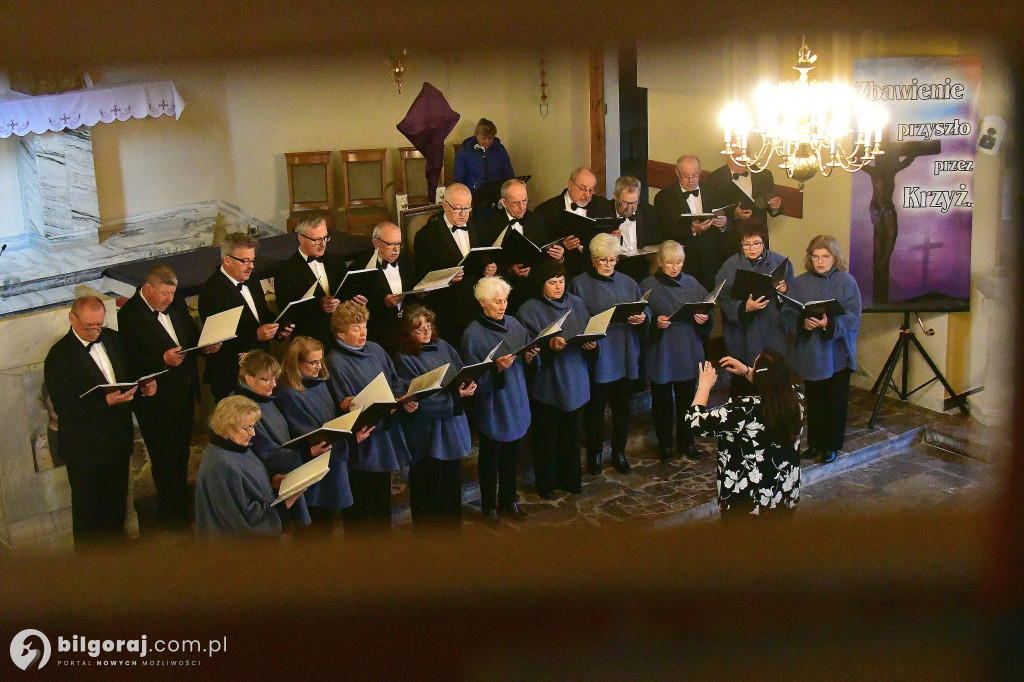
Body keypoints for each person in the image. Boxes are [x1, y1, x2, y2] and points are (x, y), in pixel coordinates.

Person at [43, 295, 156, 543]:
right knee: (89, 516)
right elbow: (65, 408)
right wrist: (104, 402)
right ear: (72, 319)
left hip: (117, 441)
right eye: (88, 326)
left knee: (116, 510)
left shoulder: (114, 339)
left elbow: (128, 376)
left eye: (99, 325)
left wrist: (143, 387)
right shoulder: (58, 356)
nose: (95, 331)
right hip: (85, 450)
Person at [117, 264, 220, 529]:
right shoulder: (128, 316)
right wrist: (160, 360)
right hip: (155, 400)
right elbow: (127, 359)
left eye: (173, 293)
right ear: (148, 289)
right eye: (164, 294)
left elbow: (188, 337)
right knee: (164, 458)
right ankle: (169, 513)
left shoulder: (174, 305)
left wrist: (205, 346)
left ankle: (181, 504)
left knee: (181, 452)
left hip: (184, 391)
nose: (170, 299)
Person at [325, 301, 416, 530]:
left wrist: (401, 400)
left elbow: (395, 381)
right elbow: (341, 402)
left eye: (364, 325)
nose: (363, 332)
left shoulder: (375, 349)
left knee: (382, 501)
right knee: (362, 506)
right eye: (355, 328)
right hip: (361, 440)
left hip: (384, 433)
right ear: (340, 333)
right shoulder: (335, 361)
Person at [686, 349, 804, 519]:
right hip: (783, 492)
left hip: (748, 501)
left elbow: (694, 422)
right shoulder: (795, 396)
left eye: (754, 366)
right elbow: (772, 383)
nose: (751, 368)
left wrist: (704, 386)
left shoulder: (744, 410)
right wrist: (747, 371)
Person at [568, 233, 648, 475]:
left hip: (624, 352)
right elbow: (573, 319)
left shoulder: (628, 282)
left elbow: (644, 310)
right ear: (592, 259)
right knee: (594, 412)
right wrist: (585, 339)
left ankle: (619, 452)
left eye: (613, 260)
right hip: (598, 355)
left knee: (622, 410)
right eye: (603, 260)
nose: (608, 265)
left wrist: (643, 317)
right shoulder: (578, 284)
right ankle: (594, 454)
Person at [516, 260, 596, 499]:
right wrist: (548, 346)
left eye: (561, 281)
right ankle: (546, 484)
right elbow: (527, 347)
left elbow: (588, 331)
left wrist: (590, 345)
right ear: (541, 284)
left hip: (574, 373)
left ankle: (572, 479)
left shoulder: (577, 303)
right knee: (546, 437)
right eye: (552, 282)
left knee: (571, 434)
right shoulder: (528, 310)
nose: (558, 287)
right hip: (548, 381)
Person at [460, 276, 537, 523]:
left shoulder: (514, 324)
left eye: (504, 300)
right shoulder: (473, 334)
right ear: (483, 303)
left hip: (514, 397)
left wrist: (530, 356)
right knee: (490, 458)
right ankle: (489, 506)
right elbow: (469, 379)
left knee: (511, 456)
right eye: (496, 301)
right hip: (492, 404)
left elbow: (528, 361)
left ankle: (509, 500)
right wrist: (495, 369)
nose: (503, 306)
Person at [277, 336, 371, 535]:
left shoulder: (317, 382)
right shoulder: (289, 393)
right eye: (313, 362)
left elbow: (327, 419)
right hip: (313, 469)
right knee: (315, 531)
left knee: (327, 525)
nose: (319, 367)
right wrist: (351, 441)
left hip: (332, 463)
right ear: (296, 363)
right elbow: (311, 436)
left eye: (320, 361)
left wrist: (344, 410)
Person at [392, 306, 476, 528]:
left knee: (450, 484)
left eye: (428, 326)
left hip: (450, 426)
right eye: (419, 330)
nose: (426, 333)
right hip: (427, 431)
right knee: (428, 487)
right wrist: (454, 398)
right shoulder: (404, 358)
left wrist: (467, 383)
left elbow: (460, 370)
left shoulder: (443, 346)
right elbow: (415, 397)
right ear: (408, 334)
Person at [783, 235, 862, 464]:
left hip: (837, 352)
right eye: (815, 256)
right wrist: (802, 323)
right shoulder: (800, 282)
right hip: (811, 352)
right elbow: (788, 312)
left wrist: (828, 323)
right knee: (815, 402)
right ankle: (815, 443)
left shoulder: (847, 281)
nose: (820, 261)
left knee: (835, 402)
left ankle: (831, 446)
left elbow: (853, 316)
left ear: (835, 257)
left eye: (825, 256)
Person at [233, 350, 328, 529]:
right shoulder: (243, 410)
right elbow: (267, 454)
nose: (273, 385)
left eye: (274, 379)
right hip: (267, 484)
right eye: (266, 380)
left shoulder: (263, 398)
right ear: (248, 378)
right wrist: (308, 452)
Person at [199, 232, 293, 401]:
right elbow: (218, 342)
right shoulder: (211, 291)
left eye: (252, 260)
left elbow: (262, 315)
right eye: (244, 261)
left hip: (260, 369)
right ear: (227, 260)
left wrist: (278, 328)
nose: (251, 266)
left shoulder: (251, 280)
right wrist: (256, 335)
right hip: (231, 375)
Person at [640, 240, 712, 462]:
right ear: (659, 262)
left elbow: (707, 311)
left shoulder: (692, 283)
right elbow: (639, 318)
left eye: (679, 262)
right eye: (669, 262)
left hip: (687, 346)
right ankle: (664, 445)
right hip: (662, 348)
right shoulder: (647, 286)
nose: (674, 267)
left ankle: (686, 441)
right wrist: (654, 323)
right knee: (661, 400)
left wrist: (704, 319)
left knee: (686, 399)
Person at [194, 395, 301, 538]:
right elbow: (240, 519)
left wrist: (271, 482)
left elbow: (244, 483)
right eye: (247, 428)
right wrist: (284, 505)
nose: (253, 433)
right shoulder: (220, 465)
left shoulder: (235, 445)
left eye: (253, 426)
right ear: (226, 425)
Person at [413, 183, 498, 345]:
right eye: (458, 208)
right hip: (449, 311)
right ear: (445, 205)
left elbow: (484, 258)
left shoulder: (480, 228)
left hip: (478, 306)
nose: (463, 214)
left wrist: (489, 269)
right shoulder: (426, 236)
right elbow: (421, 281)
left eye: (467, 208)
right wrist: (447, 279)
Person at [715, 221, 793, 396]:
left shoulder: (780, 262)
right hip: (741, 333)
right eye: (746, 244)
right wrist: (744, 308)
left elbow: (792, 298)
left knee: (774, 386)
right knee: (743, 389)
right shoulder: (730, 265)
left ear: (763, 242)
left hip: (771, 329)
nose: (751, 248)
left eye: (756, 243)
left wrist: (783, 291)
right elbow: (723, 295)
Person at [481, 178, 564, 314]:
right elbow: (487, 261)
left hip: (535, 288)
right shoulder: (489, 225)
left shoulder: (537, 221)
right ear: (503, 202)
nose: (522, 207)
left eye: (525, 201)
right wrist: (509, 270)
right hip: (505, 292)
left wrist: (559, 257)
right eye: (516, 203)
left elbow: (545, 254)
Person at [273, 214, 356, 347]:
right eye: (317, 240)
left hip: (341, 337)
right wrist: (318, 305)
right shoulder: (285, 270)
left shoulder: (336, 261)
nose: (323, 244)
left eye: (325, 238)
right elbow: (287, 311)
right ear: (301, 238)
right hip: (309, 341)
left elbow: (347, 291)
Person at [652, 154, 729, 292]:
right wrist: (691, 229)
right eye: (685, 176)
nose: (691, 180)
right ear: (677, 172)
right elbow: (664, 231)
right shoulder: (664, 197)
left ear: (700, 172)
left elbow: (726, 223)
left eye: (695, 175)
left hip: (711, 261)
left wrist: (723, 224)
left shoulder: (713, 192)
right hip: (683, 264)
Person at [534, 167, 615, 277]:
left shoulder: (603, 206)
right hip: (563, 273)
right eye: (583, 189)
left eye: (591, 190)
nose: (587, 195)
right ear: (570, 184)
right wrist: (562, 246)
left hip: (595, 272)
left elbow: (611, 239)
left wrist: (615, 237)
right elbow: (541, 251)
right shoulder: (546, 210)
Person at [363, 221, 417, 353]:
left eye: (398, 244)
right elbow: (359, 308)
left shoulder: (407, 262)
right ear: (376, 243)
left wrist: (420, 294)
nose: (396, 249)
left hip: (408, 332)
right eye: (390, 244)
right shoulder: (362, 268)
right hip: (381, 336)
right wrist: (384, 304)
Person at [704, 156, 783, 240]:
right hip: (730, 238)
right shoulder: (715, 178)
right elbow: (710, 209)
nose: (741, 158)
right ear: (728, 154)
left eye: (744, 153)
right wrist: (733, 214)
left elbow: (772, 206)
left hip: (758, 237)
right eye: (736, 155)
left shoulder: (763, 175)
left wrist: (776, 206)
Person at [610, 175, 661, 284]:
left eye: (634, 202)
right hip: (614, 268)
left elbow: (656, 240)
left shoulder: (649, 212)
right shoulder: (604, 212)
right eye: (625, 202)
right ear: (615, 196)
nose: (630, 208)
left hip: (642, 268)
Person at [453, 118, 515, 204]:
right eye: (484, 138)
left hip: (498, 195)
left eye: (490, 138)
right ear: (476, 135)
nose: (487, 142)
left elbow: (509, 174)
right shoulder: (465, 151)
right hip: (475, 196)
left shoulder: (500, 149)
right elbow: (458, 178)